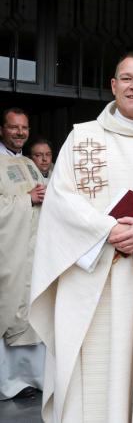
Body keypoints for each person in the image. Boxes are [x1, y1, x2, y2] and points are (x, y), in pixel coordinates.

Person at [29, 51, 133, 423]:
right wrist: (108, 230)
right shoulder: (81, 138)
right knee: (91, 380)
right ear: (113, 86)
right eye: (127, 78)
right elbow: (60, 201)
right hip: (92, 281)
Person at [0, 107, 45, 400]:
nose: (20, 133)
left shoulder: (30, 163)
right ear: (1, 129)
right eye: (14, 127)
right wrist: (25, 201)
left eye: (24, 128)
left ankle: (33, 377)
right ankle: (7, 382)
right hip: (9, 253)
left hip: (33, 251)